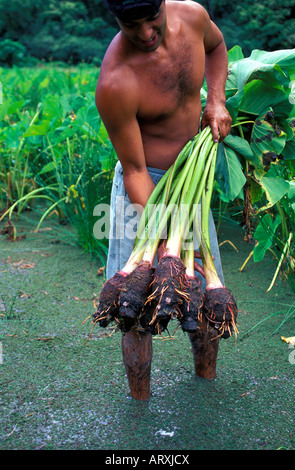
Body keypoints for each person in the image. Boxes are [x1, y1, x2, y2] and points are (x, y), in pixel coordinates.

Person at [95, 0, 232, 400]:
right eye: (129, 24)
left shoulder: (192, 16)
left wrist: (216, 100)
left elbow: (217, 45)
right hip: (144, 187)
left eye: (151, 18)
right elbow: (135, 170)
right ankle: (140, 403)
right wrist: (163, 243)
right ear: (115, 18)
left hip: (193, 178)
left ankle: (206, 384)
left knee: (205, 292)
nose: (144, 33)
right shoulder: (116, 82)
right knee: (133, 308)